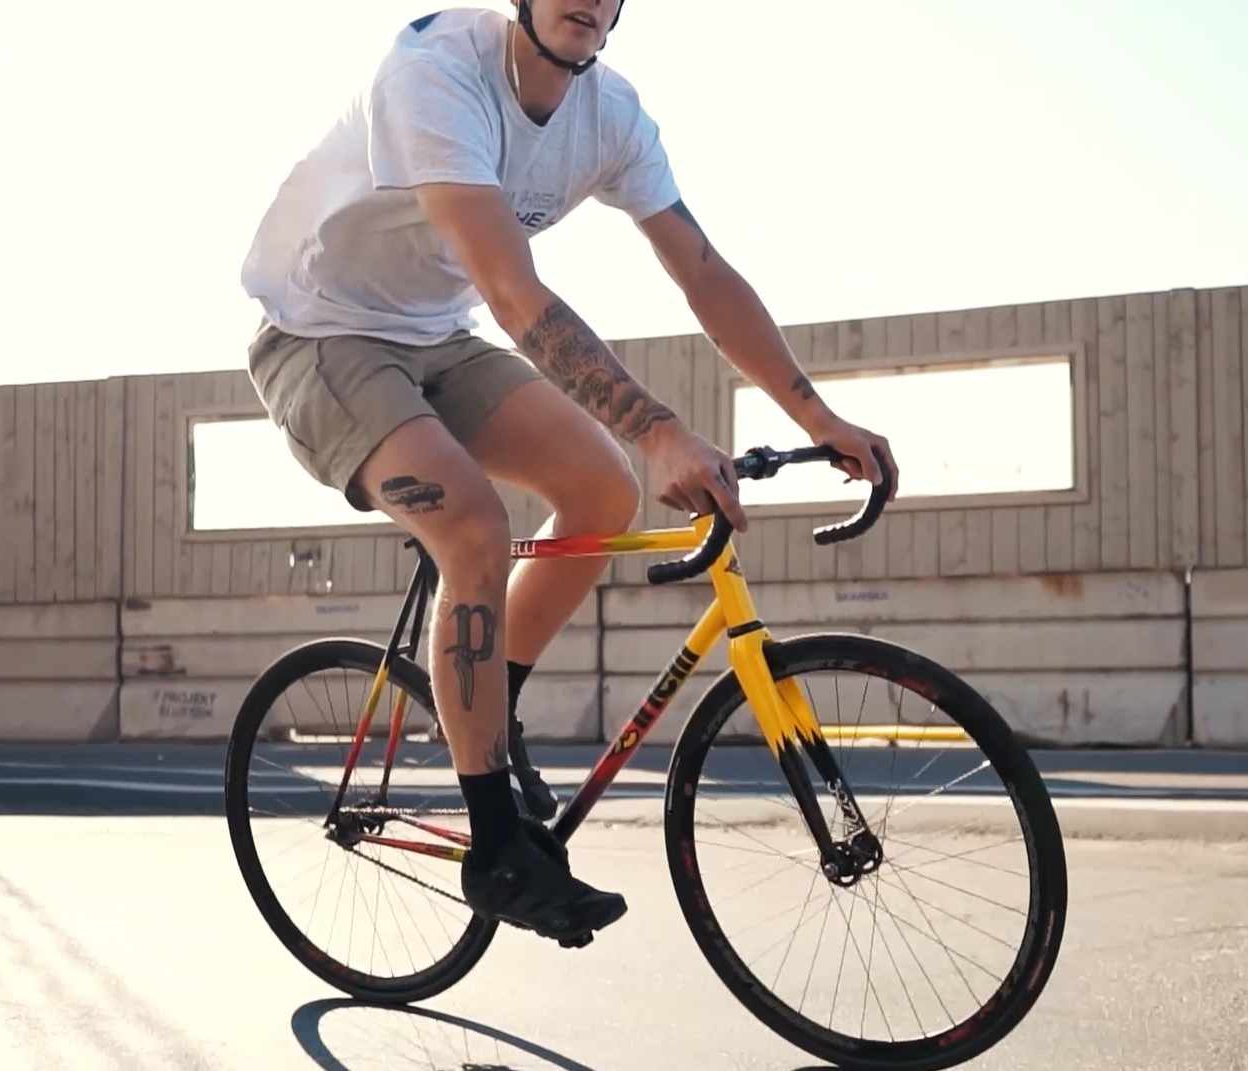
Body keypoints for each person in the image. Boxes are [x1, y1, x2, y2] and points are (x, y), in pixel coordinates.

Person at [238, 1, 899, 946]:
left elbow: (703, 273)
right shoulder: (434, 70)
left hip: (435, 339)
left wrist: (818, 415)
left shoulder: (612, 118)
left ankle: (488, 721)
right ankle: (498, 847)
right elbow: (514, 293)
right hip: (319, 334)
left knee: (602, 490)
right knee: (469, 523)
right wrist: (662, 427)